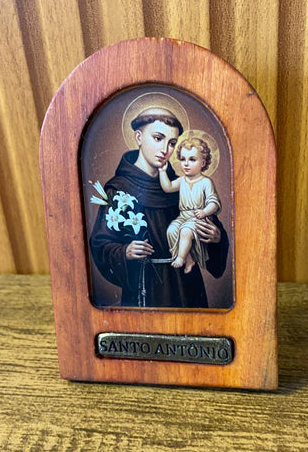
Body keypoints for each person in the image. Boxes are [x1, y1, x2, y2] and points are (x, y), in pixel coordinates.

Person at [89, 106, 229, 308]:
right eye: (158, 138)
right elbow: (101, 244)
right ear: (138, 137)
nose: (165, 150)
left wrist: (216, 238)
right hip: (146, 288)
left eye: (172, 143)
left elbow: (208, 227)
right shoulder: (119, 189)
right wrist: (125, 251)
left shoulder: (183, 185)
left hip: (186, 285)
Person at [158, 135, 221, 274]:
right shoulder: (182, 180)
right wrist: (162, 172)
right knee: (171, 230)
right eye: (183, 159)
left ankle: (181, 258)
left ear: (203, 163)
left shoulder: (206, 182)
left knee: (186, 231)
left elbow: (214, 203)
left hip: (199, 218)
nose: (186, 164)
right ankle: (189, 258)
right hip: (183, 217)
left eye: (192, 159)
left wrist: (204, 212)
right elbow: (168, 187)